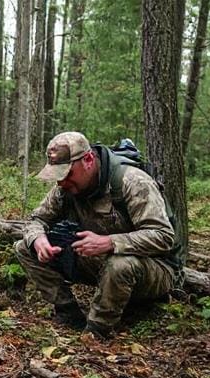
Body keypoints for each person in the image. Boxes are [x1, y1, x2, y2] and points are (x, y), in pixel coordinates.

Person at [14, 131, 183, 338]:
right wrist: (38, 239)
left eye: (66, 174)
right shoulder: (65, 188)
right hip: (99, 262)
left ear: (88, 160)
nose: (61, 183)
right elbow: (35, 220)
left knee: (120, 265)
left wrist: (110, 242)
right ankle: (68, 313)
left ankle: (97, 331)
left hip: (154, 269)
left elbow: (163, 236)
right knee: (25, 247)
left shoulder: (133, 182)